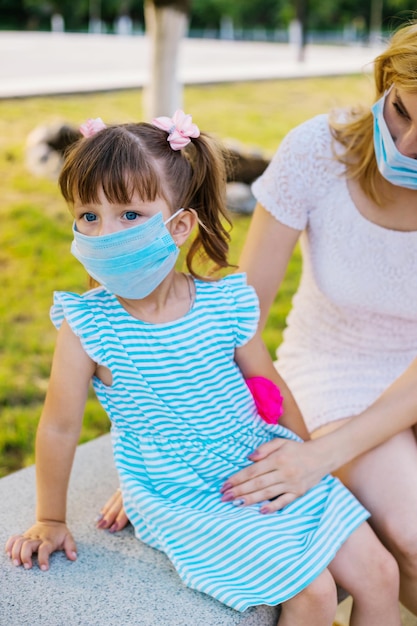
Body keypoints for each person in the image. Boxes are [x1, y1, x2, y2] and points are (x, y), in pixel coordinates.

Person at [4, 112, 400, 626]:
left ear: (181, 224)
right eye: (88, 216)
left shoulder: (226, 301)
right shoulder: (88, 327)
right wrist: (50, 518)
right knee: (316, 596)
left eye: (128, 215)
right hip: (183, 491)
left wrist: (308, 460)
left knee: (381, 574)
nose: (104, 233)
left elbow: (266, 383)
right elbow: (58, 426)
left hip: (256, 460)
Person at [219, 20, 417, 617]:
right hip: (333, 374)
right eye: (404, 110)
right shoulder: (315, 150)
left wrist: (326, 458)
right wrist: (178, 442)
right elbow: (238, 318)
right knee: (411, 536)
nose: (406, 145)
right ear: (387, 83)